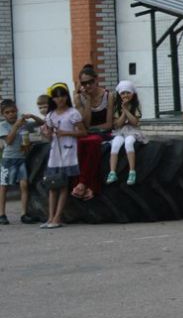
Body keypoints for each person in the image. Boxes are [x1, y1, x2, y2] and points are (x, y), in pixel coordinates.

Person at [40, 83, 87, 229]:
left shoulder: (73, 113)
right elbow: (48, 138)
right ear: (52, 99)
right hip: (55, 153)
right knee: (52, 185)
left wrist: (66, 133)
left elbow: (83, 132)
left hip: (69, 152)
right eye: (56, 97)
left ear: (67, 97)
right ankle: (50, 217)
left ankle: (57, 217)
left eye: (62, 96)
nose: (60, 99)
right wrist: (46, 134)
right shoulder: (50, 115)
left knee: (63, 185)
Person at [72, 64, 114, 201]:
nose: (88, 86)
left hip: (102, 133)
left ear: (97, 80)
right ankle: (86, 186)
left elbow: (108, 124)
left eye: (90, 82)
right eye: (84, 83)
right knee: (79, 143)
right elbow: (85, 124)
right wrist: (88, 102)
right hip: (88, 133)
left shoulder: (108, 96)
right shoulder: (79, 99)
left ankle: (84, 183)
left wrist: (90, 129)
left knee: (93, 142)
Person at [0, 99, 38, 224]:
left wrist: (32, 116)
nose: (11, 114)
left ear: (17, 111)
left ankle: (24, 213)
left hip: (21, 159)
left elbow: (42, 123)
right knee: (4, 187)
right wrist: (16, 126)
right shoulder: (3, 126)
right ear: (3, 114)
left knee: (24, 185)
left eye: (13, 111)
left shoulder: (24, 124)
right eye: (7, 112)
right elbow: (9, 141)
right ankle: (2, 214)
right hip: (8, 159)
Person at [106, 80, 147, 186]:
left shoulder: (136, 105)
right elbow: (117, 124)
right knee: (115, 144)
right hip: (120, 131)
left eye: (128, 92)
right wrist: (123, 111)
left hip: (132, 131)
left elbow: (135, 122)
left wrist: (127, 110)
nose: (125, 95)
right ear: (119, 95)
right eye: (123, 93)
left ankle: (132, 171)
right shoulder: (116, 106)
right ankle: (112, 172)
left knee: (129, 143)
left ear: (133, 93)